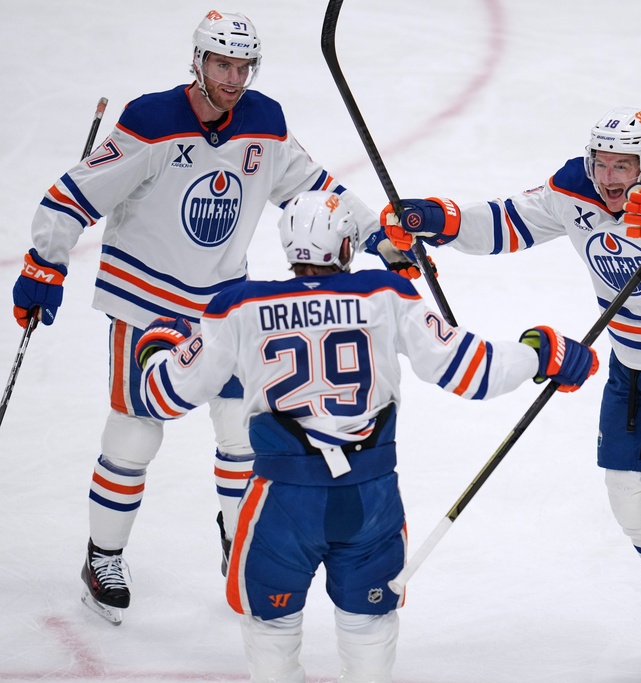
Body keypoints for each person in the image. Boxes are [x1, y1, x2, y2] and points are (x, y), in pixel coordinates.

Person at [9, 10, 400, 624]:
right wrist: (43, 263)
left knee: (242, 435)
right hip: (145, 301)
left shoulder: (264, 122)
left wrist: (381, 233)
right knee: (136, 431)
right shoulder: (152, 120)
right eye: (223, 64)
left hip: (224, 307)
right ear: (198, 61)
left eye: (243, 66)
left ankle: (238, 543)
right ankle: (102, 555)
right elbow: (72, 194)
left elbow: (314, 188)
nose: (234, 77)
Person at [133, 190, 599, 683]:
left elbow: (164, 397)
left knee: (271, 629)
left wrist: (157, 349)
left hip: (281, 502)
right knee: (369, 626)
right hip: (369, 499)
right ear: (348, 244)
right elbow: (472, 373)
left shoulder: (238, 306)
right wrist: (540, 351)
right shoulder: (385, 295)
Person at [377, 107, 641, 682]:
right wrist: (440, 221)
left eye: (624, 166)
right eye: (601, 163)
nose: (608, 178)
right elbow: (507, 222)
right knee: (629, 497)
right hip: (634, 365)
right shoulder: (573, 190)